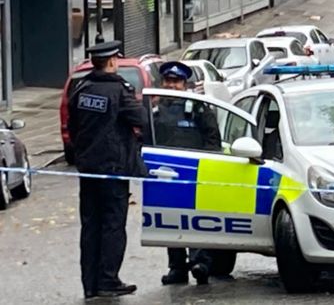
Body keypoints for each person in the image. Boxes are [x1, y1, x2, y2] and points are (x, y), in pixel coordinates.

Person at [67, 41, 147, 299]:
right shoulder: (119, 91)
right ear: (112, 62)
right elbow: (142, 120)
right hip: (113, 169)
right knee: (113, 224)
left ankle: (89, 284)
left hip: (88, 169)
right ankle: (108, 280)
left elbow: (74, 126)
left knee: (90, 225)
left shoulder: (80, 89)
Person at [154, 61, 220, 286]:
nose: (171, 86)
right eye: (168, 81)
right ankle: (177, 268)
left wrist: (208, 166)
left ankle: (200, 262)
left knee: (197, 218)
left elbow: (213, 138)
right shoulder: (155, 109)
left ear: (184, 84)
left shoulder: (198, 107)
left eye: (176, 82)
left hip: (195, 171)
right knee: (171, 220)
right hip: (166, 173)